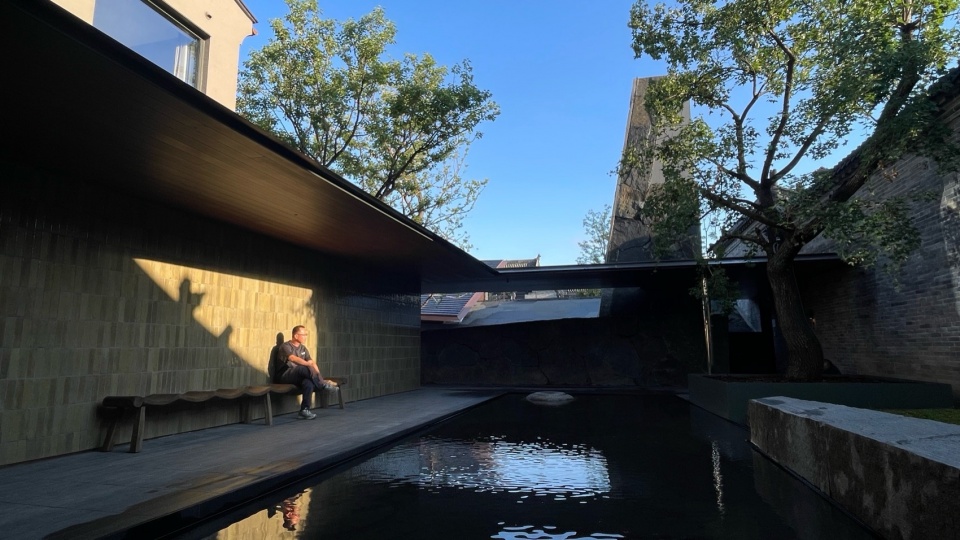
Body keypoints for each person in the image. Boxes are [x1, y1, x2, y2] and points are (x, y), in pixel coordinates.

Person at [277, 325, 333, 420]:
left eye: (306, 334)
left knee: (308, 383)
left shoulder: (303, 348)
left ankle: (304, 410)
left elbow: (312, 363)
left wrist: (320, 377)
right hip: (284, 375)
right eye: (304, 335)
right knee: (303, 368)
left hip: (298, 376)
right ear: (296, 336)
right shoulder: (285, 346)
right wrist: (308, 365)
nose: (306, 337)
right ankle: (322, 386)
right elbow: (292, 358)